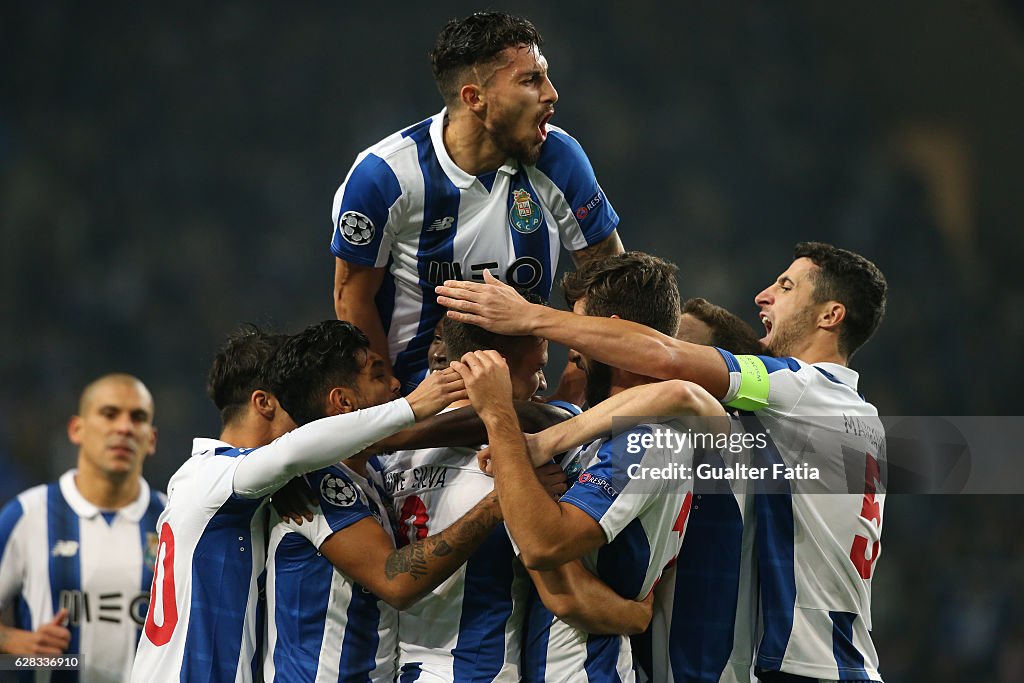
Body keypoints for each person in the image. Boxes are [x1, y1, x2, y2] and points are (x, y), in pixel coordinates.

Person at [437, 243, 890, 682]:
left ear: (830, 316)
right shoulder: (857, 419)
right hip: (836, 655)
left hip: (804, 664)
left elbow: (668, 367)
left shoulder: (802, 389)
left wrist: (528, 318)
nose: (763, 294)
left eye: (787, 286)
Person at [130, 325, 464, 683]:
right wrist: (411, 408)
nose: (309, 413)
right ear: (264, 402)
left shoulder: (251, 486)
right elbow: (292, 454)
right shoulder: (215, 475)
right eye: (295, 399)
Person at [451, 252, 718, 682]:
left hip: (584, 670)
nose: (572, 346)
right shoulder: (598, 427)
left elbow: (545, 546)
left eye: (581, 329)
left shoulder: (648, 439)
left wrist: (500, 420)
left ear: (607, 333)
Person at [331, 10, 623, 393]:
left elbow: (610, 284)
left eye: (545, 75)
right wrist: (389, 412)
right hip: (422, 419)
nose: (551, 93)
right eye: (531, 80)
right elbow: (352, 300)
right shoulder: (385, 177)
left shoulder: (559, 158)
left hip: (526, 410)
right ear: (475, 98)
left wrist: (581, 379)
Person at [262, 319, 564, 683]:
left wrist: (392, 437)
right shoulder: (313, 482)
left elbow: (540, 416)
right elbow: (396, 581)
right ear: (342, 401)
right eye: (377, 375)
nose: (395, 384)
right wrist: (501, 500)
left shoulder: (378, 470)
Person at [386, 304, 650, 682]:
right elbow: (568, 595)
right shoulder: (521, 467)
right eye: (538, 368)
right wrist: (634, 614)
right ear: (495, 369)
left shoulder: (390, 459)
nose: (543, 383)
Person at [0, 374, 163, 683]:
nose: (124, 427)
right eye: (109, 414)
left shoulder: (173, 522)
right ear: (77, 429)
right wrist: (11, 642)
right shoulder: (27, 514)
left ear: (151, 439)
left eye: (137, 417)